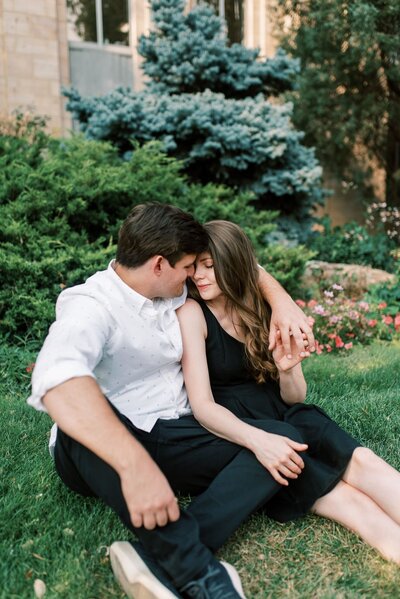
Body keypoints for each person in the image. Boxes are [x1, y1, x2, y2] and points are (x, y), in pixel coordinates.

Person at [27, 203, 315, 599]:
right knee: (89, 415)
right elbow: (58, 379)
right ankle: (200, 573)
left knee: (278, 439)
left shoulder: (173, 292)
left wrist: (282, 301)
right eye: (189, 267)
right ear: (159, 264)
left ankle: (154, 555)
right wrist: (135, 466)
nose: (195, 275)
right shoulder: (91, 304)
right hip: (107, 448)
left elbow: (248, 267)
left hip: (177, 432)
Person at [177, 219, 400, 566]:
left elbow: (293, 397)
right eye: (196, 267)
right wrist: (259, 442)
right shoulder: (192, 313)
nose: (199, 276)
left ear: (233, 263)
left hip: (290, 416)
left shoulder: (259, 307)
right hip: (250, 430)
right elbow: (203, 406)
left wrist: (288, 368)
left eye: (210, 266)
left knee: (364, 462)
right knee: (345, 499)